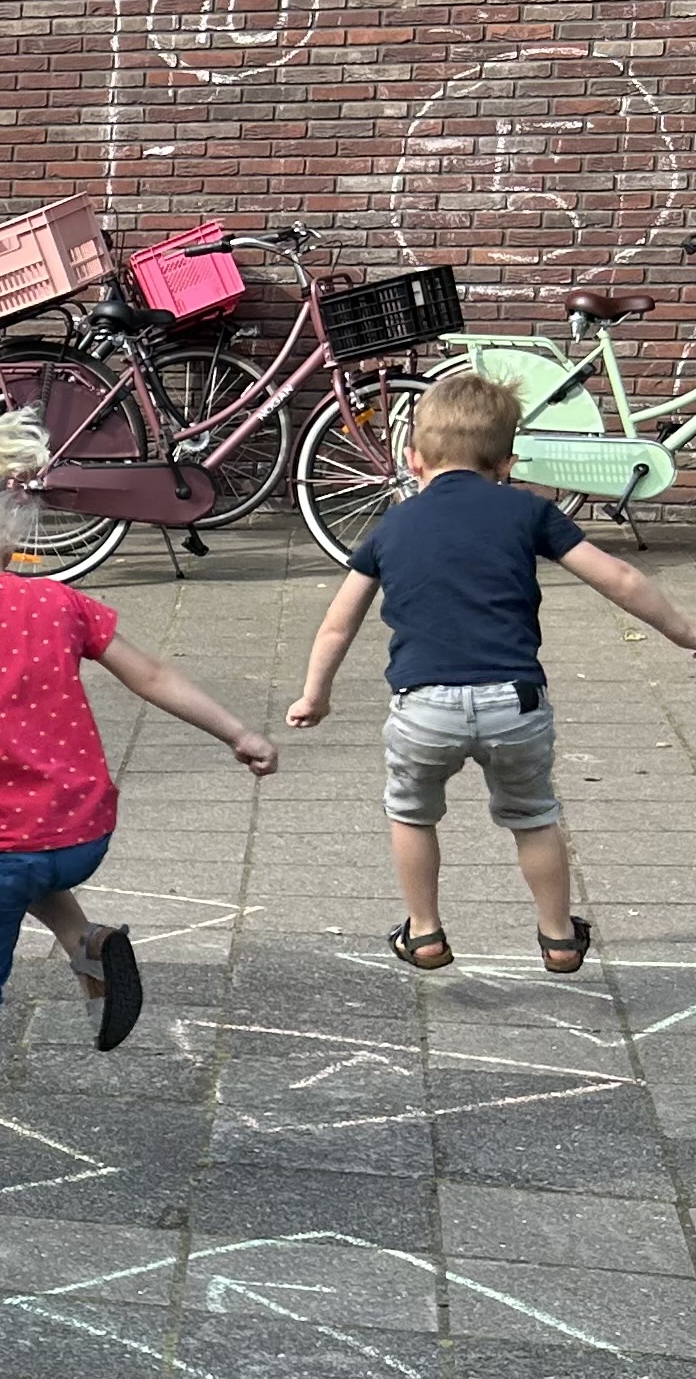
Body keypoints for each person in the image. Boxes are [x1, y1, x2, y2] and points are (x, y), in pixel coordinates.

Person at [0, 410, 278, 1194]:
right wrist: (237, 732)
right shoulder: (60, 602)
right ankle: (85, 941)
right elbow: (154, 675)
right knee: (19, 856)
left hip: (1, 841)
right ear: (6, 540)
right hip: (82, 831)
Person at [287, 367, 696, 968]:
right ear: (508, 461)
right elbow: (622, 577)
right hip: (514, 702)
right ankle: (558, 935)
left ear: (412, 458)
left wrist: (314, 695)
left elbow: (338, 622)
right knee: (533, 816)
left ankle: (424, 931)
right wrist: (686, 633)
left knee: (411, 812)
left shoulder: (392, 526)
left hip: (424, 706)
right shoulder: (527, 513)